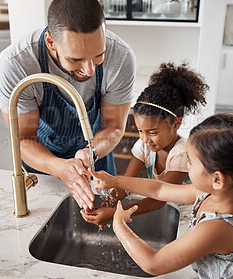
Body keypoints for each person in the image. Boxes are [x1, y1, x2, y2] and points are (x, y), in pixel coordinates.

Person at [88, 114, 233, 279]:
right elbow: (161, 188)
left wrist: (119, 225)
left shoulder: (217, 227)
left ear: (217, 179)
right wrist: (116, 180)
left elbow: (153, 264)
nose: (187, 165)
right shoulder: (217, 193)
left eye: (191, 163)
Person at [0, 0, 136, 211]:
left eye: (98, 55)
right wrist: (60, 167)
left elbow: (113, 126)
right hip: (42, 161)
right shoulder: (17, 63)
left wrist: (91, 152)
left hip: (95, 158)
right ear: (51, 42)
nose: (89, 70)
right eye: (76, 59)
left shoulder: (121, 57)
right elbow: (24, 139)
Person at [81, 62, 209, 227]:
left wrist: (116, 214)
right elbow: (125, 183)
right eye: (140, 131)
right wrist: (106, 206)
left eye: (153, 132)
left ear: (176, 124)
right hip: (167, 213)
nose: (145, 139)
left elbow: (159, 199)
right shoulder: (145, 146)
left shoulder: (182, 153)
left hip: (186, 219)